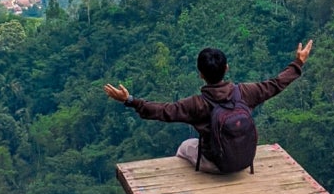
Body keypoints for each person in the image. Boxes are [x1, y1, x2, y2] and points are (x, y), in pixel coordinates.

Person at [104, 40, 313, 173]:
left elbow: (163, 111)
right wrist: (298, 63)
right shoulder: (245, 93)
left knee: (186, 146)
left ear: (200, 74)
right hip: (245, 160)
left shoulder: (197, 104)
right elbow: (275, 84)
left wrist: (129, 100)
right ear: (226, 68)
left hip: (218, 165)